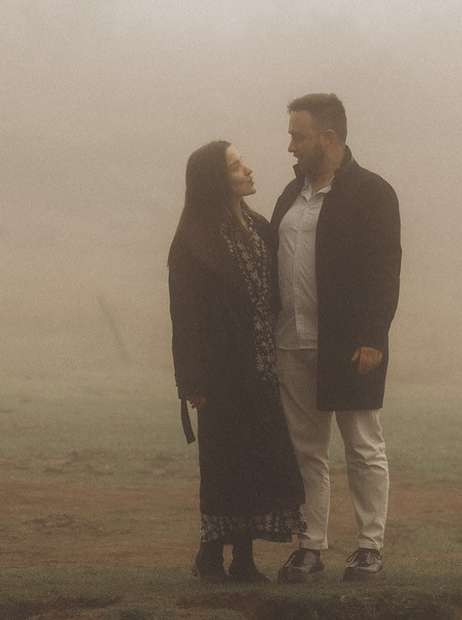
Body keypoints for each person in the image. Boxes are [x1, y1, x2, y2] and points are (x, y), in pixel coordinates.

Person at [268, 92, 401, 583]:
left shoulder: (373, 193)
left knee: (363, 444)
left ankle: (369, 547)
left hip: (350, 346)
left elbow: (385, 272)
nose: (290, 147)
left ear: (327, 137)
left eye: (297, 137)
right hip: (292, 342)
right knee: (306, 448)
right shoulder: (289, 196)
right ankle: (311, 546)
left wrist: (373, 337)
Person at [169, 140, 304, 581]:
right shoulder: (193, 239)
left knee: (254, 461)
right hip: (219, 372)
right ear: (215, 180)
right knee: (221, 462)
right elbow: (184, 315)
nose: (247, 170)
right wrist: (191, 379)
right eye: (235, 166)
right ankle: (209, 555)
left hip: (261, 368)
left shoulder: (260, 228)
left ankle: (243, 560)